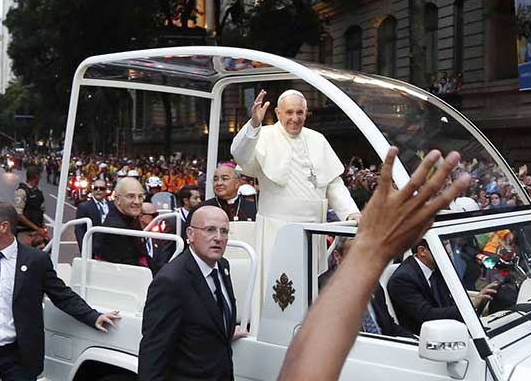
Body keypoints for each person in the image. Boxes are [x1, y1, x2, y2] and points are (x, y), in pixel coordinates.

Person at [278, 148, 469, 380]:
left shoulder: (374, 286)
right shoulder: (323, 289)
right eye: (351, 253)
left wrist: (412, 343)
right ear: (337, 257)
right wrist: (369, 252)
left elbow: (387, 327)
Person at [0, 202, 120, 381]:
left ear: (4, 226)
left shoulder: (35, 261)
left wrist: (93, 316)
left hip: (17, 355)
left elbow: (61, 294)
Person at [231, 89, 360, 274]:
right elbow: (240, 154)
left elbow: (333, 184)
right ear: (278, 113)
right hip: (276, 231)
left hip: (314, 231)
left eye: (300, 112)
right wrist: (253, 125)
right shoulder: (264, 135)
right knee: (280, 289)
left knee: (310, 288)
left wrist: (351, 213)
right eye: (289, 112)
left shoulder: (317, 139)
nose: (295, 118)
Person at [138, 206, 243, 380]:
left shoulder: (223, 266)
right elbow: (154, 352)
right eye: (210, 230)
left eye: (224, 231)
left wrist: (226, 329)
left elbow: (206, 321)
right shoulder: (171, 281)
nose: (218, 238)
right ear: (190, 234)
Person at [387, 240, 498, 335]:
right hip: (426, 341)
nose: (449, 250)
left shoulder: (438, 268)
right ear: (422, 251)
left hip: (450, 330)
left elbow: (449, 301)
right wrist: (471, 306)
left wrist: (481, 303)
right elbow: (428, 315)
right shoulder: (402, 279)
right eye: (443, 245)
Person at [319, 237, 414, 339]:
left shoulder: (373, 282)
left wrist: (415, 341)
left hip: (384, 346)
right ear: (338, 256)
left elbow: (389, 326)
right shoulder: (326, 288)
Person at [94, 177, 153, 270]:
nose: (137, 201)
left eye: (140, 196)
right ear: (117, 199)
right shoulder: (115, 230)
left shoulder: (130, 217)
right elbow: (131, 267)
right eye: (131, 196)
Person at [189, 163, 257, 224]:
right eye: (215, 180)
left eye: (224, 179)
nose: (219, 183)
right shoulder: (200, 210)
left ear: (237, 183)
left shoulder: (254, 209)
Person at [75, 179, 114, 251]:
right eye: (96, 188)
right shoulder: (84, 207)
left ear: (106, 191)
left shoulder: (112, 205)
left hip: (111, 248)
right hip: (93, 248)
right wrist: (84, 249)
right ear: (92, 190)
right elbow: (79, 230)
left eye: (101, 188)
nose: (98, 190)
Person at [14, 166, 48, 248]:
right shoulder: (21, 192)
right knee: (25, 257)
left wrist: (43, 229)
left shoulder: (38, 192)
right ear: (36, 177)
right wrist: (37, 228)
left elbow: (41, 211)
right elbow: (19, 215)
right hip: (24, 232)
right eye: (39, 176)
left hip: (37, 233)